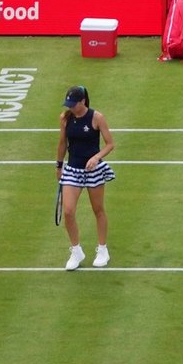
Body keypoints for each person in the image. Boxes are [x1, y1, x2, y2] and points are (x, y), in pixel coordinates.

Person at [57, 85, 114, 271]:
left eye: (74, 104)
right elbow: (62, 143)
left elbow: (110, 144)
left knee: (98, 210)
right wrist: (59, 165)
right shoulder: (65, 118)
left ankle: (103, 250)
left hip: (93, 170)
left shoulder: (97, 117)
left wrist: (97, 157)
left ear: (83, 101)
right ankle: (76, 251)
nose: (70, 107)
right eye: (69, 104)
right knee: (68, 211)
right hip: (72, 169)